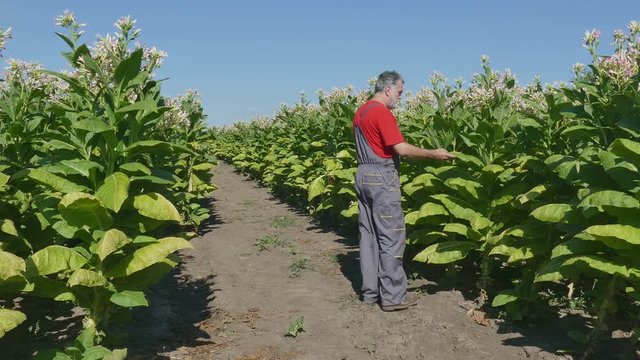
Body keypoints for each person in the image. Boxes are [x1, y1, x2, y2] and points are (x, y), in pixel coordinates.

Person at [353, 70, 455, 311]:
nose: (400, 97)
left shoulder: (361, 111)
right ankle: (392, 297)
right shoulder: (382, 113)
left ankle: (370, 293)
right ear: (387, 89)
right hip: (381, 176)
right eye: (399, 92)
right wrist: (434, 154)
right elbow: (401, 149)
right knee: (391, 236)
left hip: (363, 174)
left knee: (368, 237)